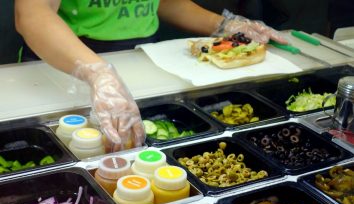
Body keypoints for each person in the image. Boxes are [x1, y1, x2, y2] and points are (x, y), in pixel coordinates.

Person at [14, 0, 287, 152]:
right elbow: (32, 13)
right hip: (64, 68)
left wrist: (225, 25)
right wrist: (97, 73)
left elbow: (164, 2)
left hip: (143, 64)